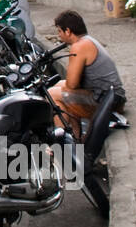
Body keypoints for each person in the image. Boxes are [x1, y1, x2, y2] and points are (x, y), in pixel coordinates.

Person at [48, 9, 125, 137]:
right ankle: (76, 134)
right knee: (59, 85)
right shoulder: (89, 40)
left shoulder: (79, 46)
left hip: (107, 102)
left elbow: (72, 85)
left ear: (68, 31)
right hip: (114, 96)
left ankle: (64, 140)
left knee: (51, 94)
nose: (59, 35)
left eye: (59, 31)